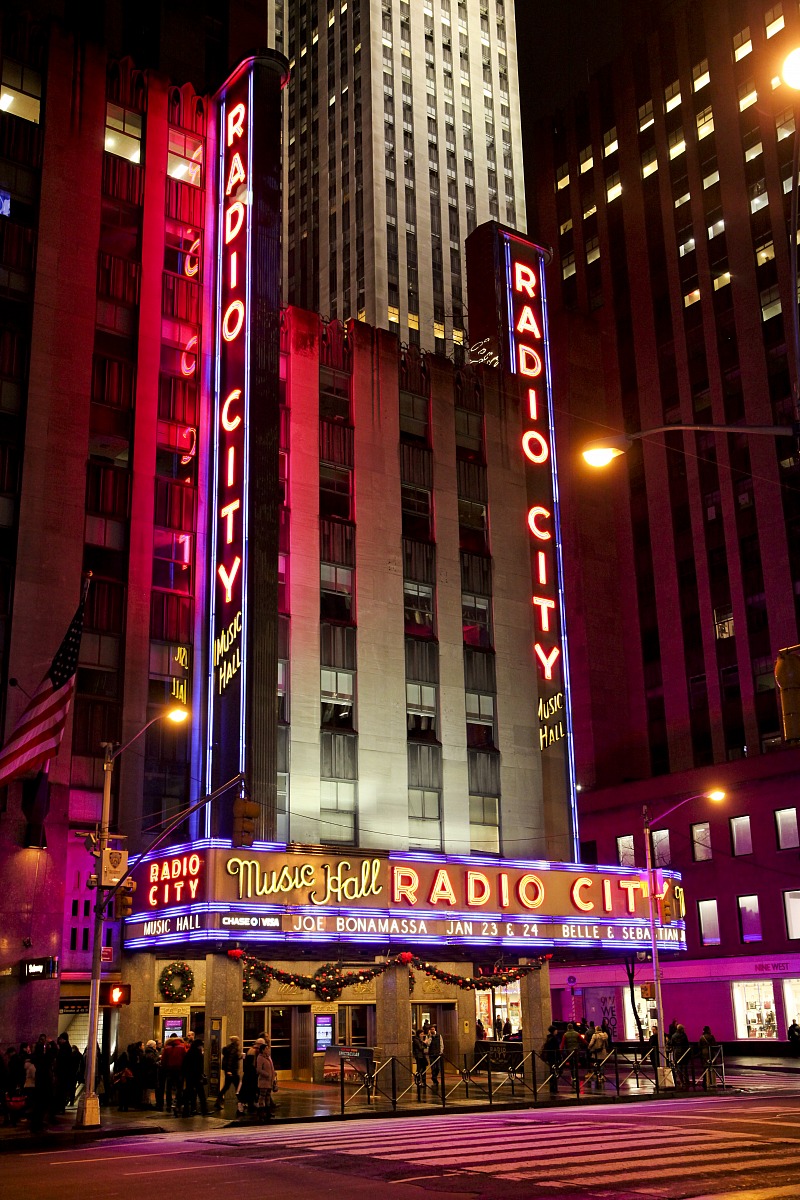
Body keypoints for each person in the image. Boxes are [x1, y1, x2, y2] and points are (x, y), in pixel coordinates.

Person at [160, 1033, 187, 1115]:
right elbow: (185, 1059)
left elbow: (163, 1060)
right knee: (179, 1088)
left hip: (169, 1070)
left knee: (168, 1088)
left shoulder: (167, 1048)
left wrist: (165, 1068)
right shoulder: (182, 1047)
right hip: (180, 1071)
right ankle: (178, 1104)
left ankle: (168, 1104)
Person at [181, 1037, 208, 1116]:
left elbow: (184, 1065)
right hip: (196, 1076)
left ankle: (187, 1110)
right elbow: (199, 1066)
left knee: (189, 1093)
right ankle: (204, 1110)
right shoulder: (198, 1054)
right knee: (201, 1094)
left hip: (189, 1076)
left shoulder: (189, 1053)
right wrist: (201, 1075)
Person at [216, 1034, 243, 1111]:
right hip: (232, 1071)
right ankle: (240, 1103)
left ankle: (218, 1101)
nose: (239, 1042)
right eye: (238, 1040)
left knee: (227, 1087)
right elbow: (231, 1060)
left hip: (230, 1071)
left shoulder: (229, 1048)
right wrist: (229, 1071)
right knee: (238, 1087)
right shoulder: (234, 1049)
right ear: (236, 1041)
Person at [237, 1038, 262, 1116]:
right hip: (252, 1074)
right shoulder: (256, 1051)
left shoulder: (250, 1050)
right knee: (250, 1090)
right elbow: (254, 1064)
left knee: (249, 1090)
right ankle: (247, 1105)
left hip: (248, 1074)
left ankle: (249, 1105)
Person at [254, 1040, 275, 1121]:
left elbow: (271, 1067)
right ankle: (261, 1112)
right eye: (266, 1048)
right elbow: (258, 1070)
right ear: (263, 1050)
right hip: (263, 1081)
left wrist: (273, 1073)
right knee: (262, 1096)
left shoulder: (268, 1057)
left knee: (268, 1096)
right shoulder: (260, 1058)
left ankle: (268, 1111)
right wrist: (266, 1074)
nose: (268, 1050)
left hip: (269, 1081)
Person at [541, 1026, 561, 1095]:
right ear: (553, 1031)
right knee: (554, 1072)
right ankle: (554, 1088)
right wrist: (559, 1057)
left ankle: (552, 1088)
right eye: (556, 1030)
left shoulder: (548, 1038)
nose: (557, 1031)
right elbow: (557, 1049)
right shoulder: (554, 1039)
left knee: (552, 1071)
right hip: (554, 1057)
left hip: (550, 1057)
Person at [670, 1023, 690, 1089]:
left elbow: (672, 1044)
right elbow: (687, 1044)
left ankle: (681, 1082)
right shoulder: (684, 1035)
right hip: (684, 1052)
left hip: (676, 1053)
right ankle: (687, 1081)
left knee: (679, 1068)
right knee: (685, 1067)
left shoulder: (673, 1036)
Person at [141, 1040, 159, 1108]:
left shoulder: (147, 1052)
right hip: (150, 1073)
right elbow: (152, 1062)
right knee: (148, 1088)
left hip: (148, 1072)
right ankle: (146, 1102)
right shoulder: (150, 1053)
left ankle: (147, 1101)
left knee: (147, 1088)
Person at [699, 1025, 718, 1090]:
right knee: (711, 1067)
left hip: (704, 1053)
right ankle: (711, 1081)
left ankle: (705, 1081)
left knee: (705, 1067)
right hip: (710, 1052)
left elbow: (699, 1046)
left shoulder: (701, 1037)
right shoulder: (711, 1037)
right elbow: (714, 1045)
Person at [428, 1025, 444, 1091]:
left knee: (438, 1067)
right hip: (431, 1053)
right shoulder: (429, 1036)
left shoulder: (439, 1036)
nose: (432, 1030)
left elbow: (441, 1043)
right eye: (431, 1029)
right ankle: (434, 1078)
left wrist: (441, 1051)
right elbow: (428, 1044)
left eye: (433, 1029)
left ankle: (434, 1076)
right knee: (433, 1066)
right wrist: (430, 1037)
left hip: (437, 1053)